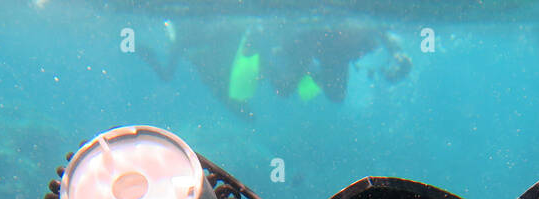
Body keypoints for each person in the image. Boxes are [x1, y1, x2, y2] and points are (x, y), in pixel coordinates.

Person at [138, 18, 412, 117]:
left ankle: (277, 65)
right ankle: (268, 62)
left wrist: (400, 57)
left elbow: (387, 37)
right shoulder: (318, 29)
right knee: (283, 88)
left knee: (336, 96)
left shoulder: (368, 27)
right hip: (307, 46)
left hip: (329, 56)